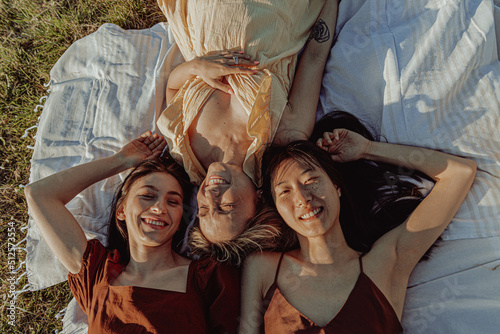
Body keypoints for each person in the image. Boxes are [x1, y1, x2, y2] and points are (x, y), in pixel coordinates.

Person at [239, 126, 476, 333]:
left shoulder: (383, 265)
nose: (302, 198)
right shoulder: (263, 269)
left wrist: (366, 149)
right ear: (277, 208)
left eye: (311, 180)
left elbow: (459, 173)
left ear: (336, 186)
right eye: (285, 192)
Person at [155, 0, 339, 262]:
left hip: (208, 15)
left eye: (205, 209)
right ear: (259, 200)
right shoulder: (283, 137)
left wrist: (196, 67)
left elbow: (173, 90)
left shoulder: (184, 152)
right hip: (274, 14)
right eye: (227, 207)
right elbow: (313, 58)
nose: (210, 195)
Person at [25, 131, 240, 334]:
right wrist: (120, 161)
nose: (160, 208)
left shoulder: (209, 277)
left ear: (179, 220)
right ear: (121, 210)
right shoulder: (97, 273)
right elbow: (39, 194)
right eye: (148, 195)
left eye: (173, 201)